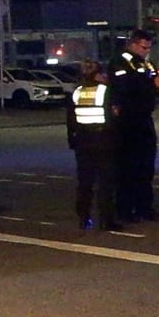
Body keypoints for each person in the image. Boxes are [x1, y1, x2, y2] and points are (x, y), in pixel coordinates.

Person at [106, 29, 159, 221]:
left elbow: (151, 83)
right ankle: (125, 209)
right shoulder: (120, 62)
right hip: (127, 121)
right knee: (126, 168)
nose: (147, 51)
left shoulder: (145, 62)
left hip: (144, 119)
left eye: (149, 47)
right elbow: (125, 86)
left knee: (145, 167)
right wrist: (151, 84)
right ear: (132, 44)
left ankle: (144, 207)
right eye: (143, 47)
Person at [66, 59, 119, 230]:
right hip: (102, 140)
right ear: (98, 74)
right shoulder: (105, 91)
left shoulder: (77, 92)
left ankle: (84, 218)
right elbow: (113, 118)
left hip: (82, 141)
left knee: (85, 182)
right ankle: (106, 220)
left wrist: (73, 140)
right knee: (105, 182)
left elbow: (70, 119)